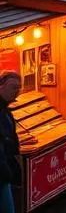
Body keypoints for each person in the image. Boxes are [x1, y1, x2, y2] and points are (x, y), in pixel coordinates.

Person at [0, 72, 22, 213]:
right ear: (1, 86)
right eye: (13, 87)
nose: (16, 92)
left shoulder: (5, 109)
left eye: (19, 88)